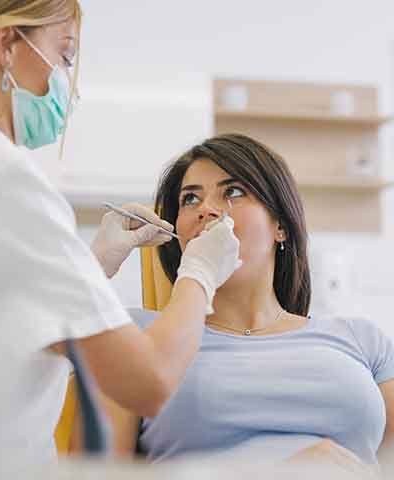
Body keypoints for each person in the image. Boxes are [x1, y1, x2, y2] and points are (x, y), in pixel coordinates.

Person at [0, 1, 243, 477]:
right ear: (5, 45)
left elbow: (6, 316)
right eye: (64, 57)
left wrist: (96, 261)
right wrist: (201, 271)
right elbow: (148, 381)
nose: (69, 85)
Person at [74, 134, 394, 476]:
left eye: (233, 192)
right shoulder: (134, 335)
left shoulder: (361, 340)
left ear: (281, 226)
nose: (206, 210)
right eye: (190, 199)